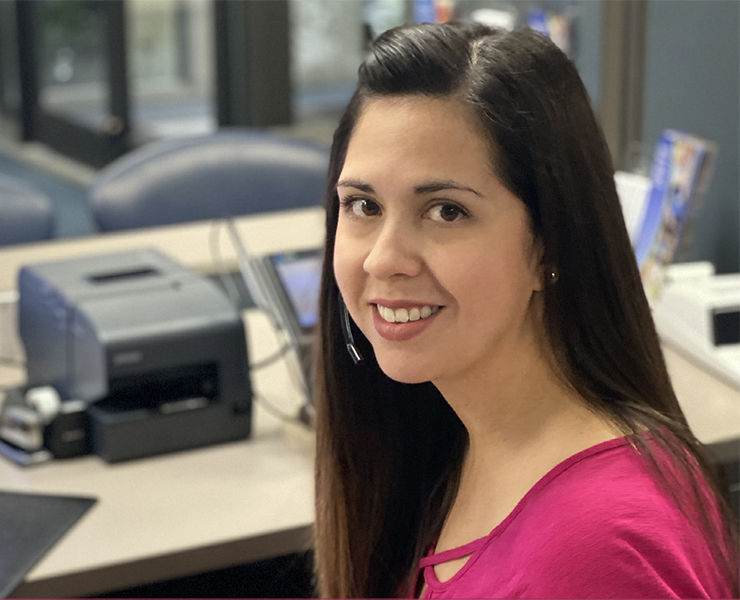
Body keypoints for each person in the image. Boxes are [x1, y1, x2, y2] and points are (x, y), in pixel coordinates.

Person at [313, 21, 738, 599]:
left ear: (549, 246)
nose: (383, 261)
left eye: (445, 212)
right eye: (362, 204)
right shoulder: (451, 442)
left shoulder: (596, 554)